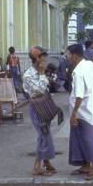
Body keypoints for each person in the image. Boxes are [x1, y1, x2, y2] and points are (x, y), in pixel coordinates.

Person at [67, 43, 93, 180]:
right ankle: (86, 165)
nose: (68, 58)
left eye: (69, 55)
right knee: (80, 138)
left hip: (82, 111)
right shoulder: (88, 64)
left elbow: (79, 96)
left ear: (75, 56)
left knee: (88, 139)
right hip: (88, 109)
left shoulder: (78, 72)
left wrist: (74, 114)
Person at [22, 46, 57, 176]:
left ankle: (46, 163)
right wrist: (42, 74)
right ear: (36, 59)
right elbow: (40, 89)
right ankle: (37, 166)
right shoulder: (28, 75)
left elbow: (48, 85)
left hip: (45, 105)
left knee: (45, 134)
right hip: (36, 107)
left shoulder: (41, 71)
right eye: (43, 58)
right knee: (44, 135)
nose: (45, 60)